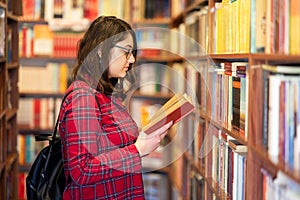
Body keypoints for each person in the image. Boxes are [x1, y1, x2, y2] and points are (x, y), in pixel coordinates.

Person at [58, 15, 173, 200]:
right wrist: (138, 150)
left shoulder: (104, 94)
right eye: (126, 51)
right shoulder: (83, 98)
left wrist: (145, 136)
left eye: (133, 52)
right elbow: (82, 171)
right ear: (101, 50)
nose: (132, 59)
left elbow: (110, 144)